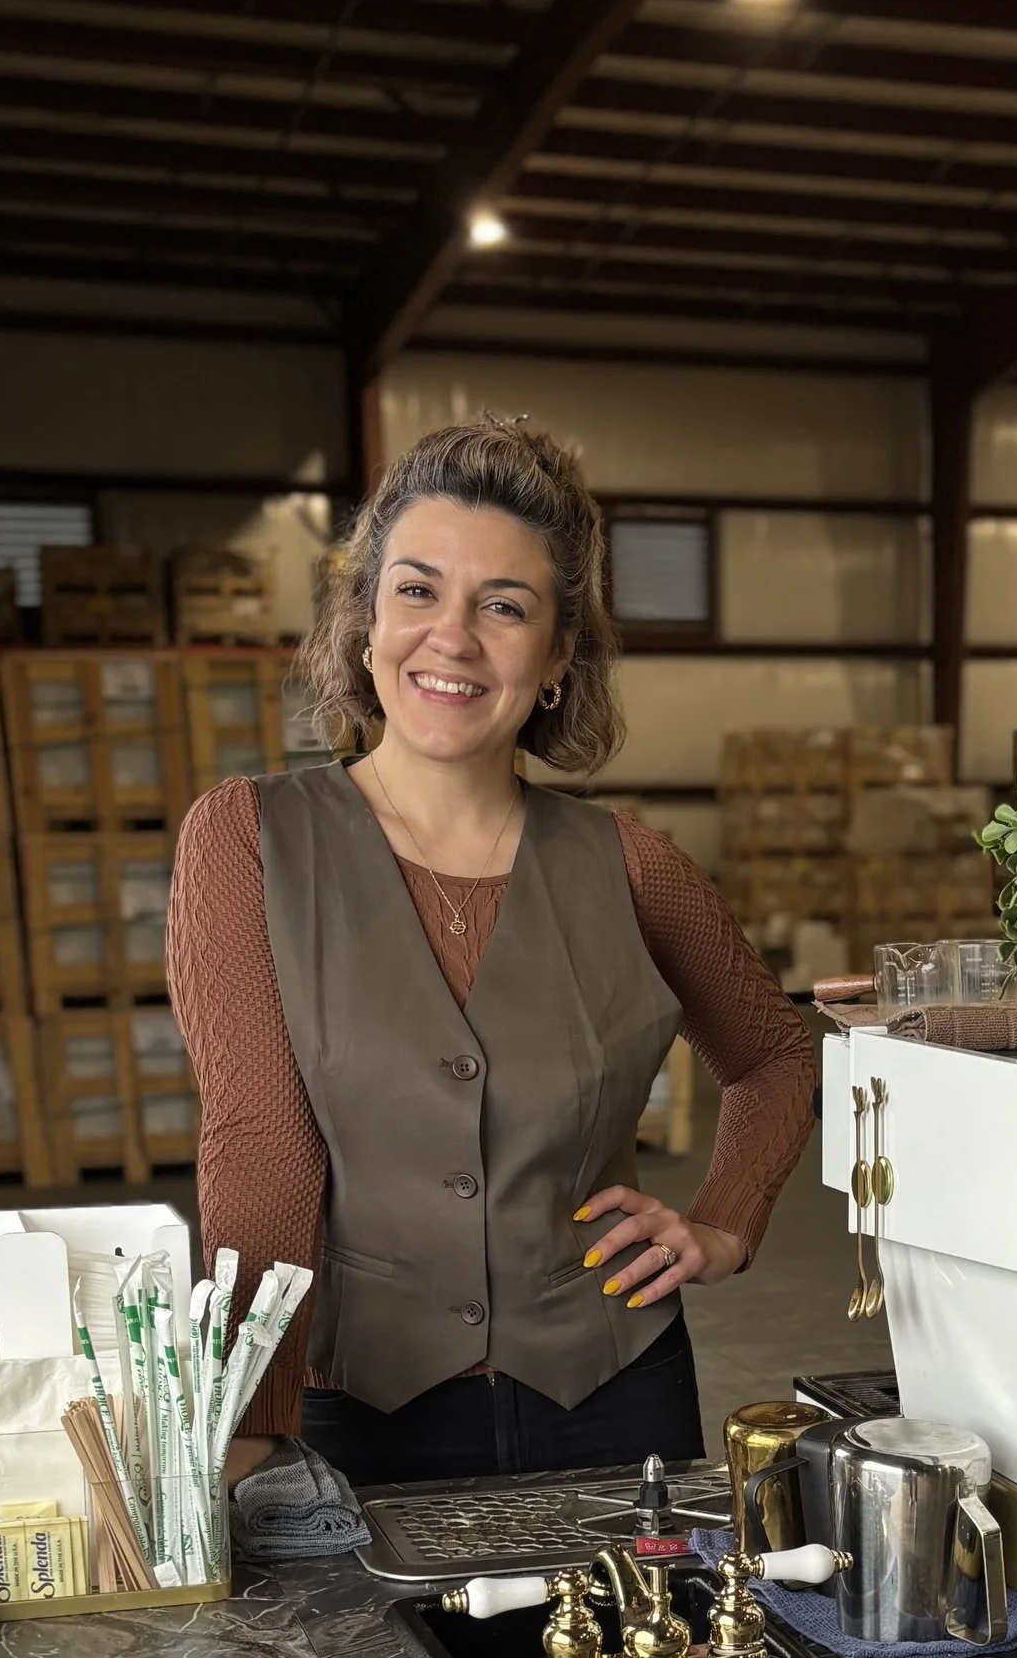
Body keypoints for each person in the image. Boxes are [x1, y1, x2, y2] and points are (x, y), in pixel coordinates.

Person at [166, 416, 816, 1490]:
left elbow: (775, 1058)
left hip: (615, 1392)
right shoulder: (248, 840)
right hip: (348, 1407)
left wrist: (723, 1225)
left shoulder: (631, 864)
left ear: (558, 656)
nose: (452, 639)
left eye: (503, 607)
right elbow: (260, 1145)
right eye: (417, 591)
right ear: (365, 622)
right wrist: (247, 1430)